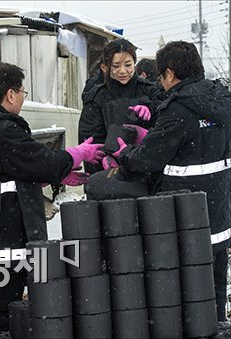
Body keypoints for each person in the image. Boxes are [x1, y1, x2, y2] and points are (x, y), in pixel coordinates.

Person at [0, 62, 105, 338]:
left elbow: (9, 173)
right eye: (22, 91)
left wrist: (53, 177)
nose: (23, 97)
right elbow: (40, 161)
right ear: (10, 94)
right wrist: (77, 154)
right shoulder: (2, 130)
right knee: (1, 325)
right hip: (3, 247)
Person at [114, 41, 231, 321]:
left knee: (184, 290)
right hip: (219, 210)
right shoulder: (222, 99)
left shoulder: (178, 108)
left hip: (183, 214)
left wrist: (125, 153)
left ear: (169, 73)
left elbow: (146, 161)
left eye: (160, 77)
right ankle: (217, 323)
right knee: (214, 283)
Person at [78, 38, 162, 174]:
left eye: (128, 65)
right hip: (109, 173)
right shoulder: (97, 96)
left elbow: (165, 128)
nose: (122, 71)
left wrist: (152, 109)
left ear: (135, 64)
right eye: (116, 66)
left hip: (147, 169)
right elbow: (90, 138)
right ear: (106, 66)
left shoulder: (150, 90)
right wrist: (104, 158)